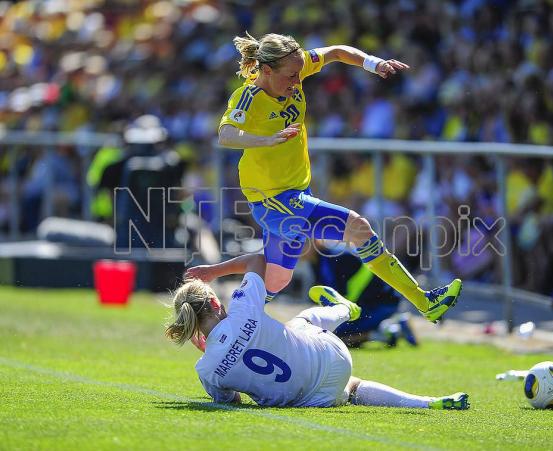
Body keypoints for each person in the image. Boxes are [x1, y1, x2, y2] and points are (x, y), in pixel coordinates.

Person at [205, 32, 461, 324]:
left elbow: (338, 51)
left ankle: (226, 324)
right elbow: (225, 135)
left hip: (295, 190)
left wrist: (373, 64)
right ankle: (425, 301)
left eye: (300, 73)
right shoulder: (248, 97)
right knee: (359, 228)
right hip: (273, 197)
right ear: (266, 70)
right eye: (291, 76)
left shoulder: (295, 67)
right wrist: (265, 140)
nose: (297, 81)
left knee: (275, 280)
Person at [168, 254, 469, 410]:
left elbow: (232, 401)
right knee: (299, 323)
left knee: (351, 388)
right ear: (213, 301)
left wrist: (213, 352)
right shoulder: (241, 308)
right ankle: (344, 310)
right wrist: (213, 271)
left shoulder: (206, 369)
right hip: (333, 357)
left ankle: (427, 401)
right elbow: (258, 260)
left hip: (312, 399)